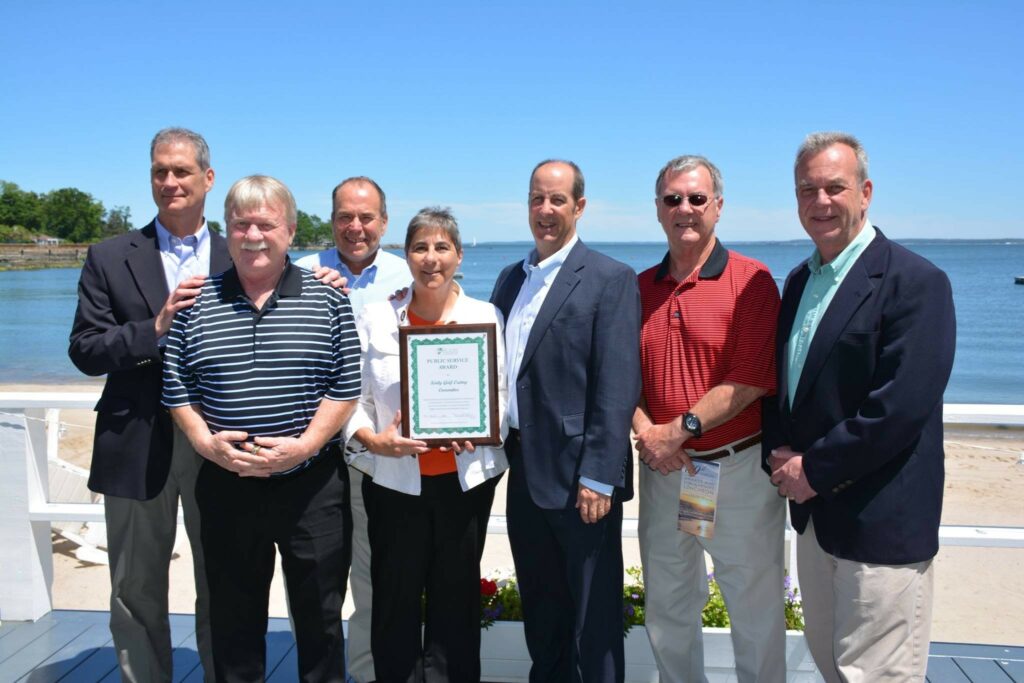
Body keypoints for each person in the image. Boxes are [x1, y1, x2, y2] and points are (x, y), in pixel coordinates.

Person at [764, 132, 956, 682]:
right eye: (807, 189)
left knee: (873, 675)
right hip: (815, 520)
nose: (820, 201)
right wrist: (780, 457)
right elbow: (787, 382)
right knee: (831, 666)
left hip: (880, 522)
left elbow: (899, 408)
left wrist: (813, 470)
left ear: (865, 192)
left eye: (835, 187)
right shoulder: (800, 281)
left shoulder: (917, 283)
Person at [163, 175, 361, 682]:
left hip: (312, 488)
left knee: (320, 622)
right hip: (226, 485)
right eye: (241, 224)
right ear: (226, 231)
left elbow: (345, 385)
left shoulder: (328, 299)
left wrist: (306, 446)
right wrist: (204, 443)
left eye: (266, 224)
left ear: (290, 232)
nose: (253, 235)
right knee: (233, 625)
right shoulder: (194, 302)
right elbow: (177, 386)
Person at [69, 127, 227, 682]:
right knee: (134, 587)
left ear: (208, 178)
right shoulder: (110, 256)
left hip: (221, 442)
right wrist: (154, 329)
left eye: (181, 171)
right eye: (160, 171)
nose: (169, 182)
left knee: (224, 580)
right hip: (135, 438)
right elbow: (85, 350)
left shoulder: (245, 253)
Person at [632, 155, 785, 682]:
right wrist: (648, 433)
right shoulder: (640, 286)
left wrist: (675, 432)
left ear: (718, 206)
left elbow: (749, 379)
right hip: (664, 473)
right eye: (673, 199)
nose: (685, 209)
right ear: (657, 209)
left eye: (697, 199)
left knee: (754, 608)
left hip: (733, 472)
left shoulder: (752, 280)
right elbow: (620, 376)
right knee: (668, 609)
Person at [490, 160, 641, 683]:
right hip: (524, 475)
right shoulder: (511, 279)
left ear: (579, 206)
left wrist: (599, 475)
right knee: (542, 612)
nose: (545, 211)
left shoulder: (610, 278)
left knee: (594, 623)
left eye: (557, 200)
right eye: (537, 199)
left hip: (583, 482)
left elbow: (617, 384)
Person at [344, 206, 508, 683]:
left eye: (441, 247)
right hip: (394, 484)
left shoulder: (486, 316)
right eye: (420, 247)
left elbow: (503, 396)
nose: (430, 258)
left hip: (466, 483)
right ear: (406, 255)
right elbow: (349, 398)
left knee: (455, 604)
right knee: (393, 603)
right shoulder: (377, 317)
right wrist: (373, 439)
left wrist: (483, 426)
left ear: (458, 255)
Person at [295, 176, 410, 683]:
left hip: (377, 452)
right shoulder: (298, 272)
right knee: (314, 582)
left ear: (384, 221)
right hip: (311, 452)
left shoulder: (413, 275)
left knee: (371, 577)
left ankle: (364, 675)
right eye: (345, 216)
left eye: (367, 217)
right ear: (332, 220)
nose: (356, 227)